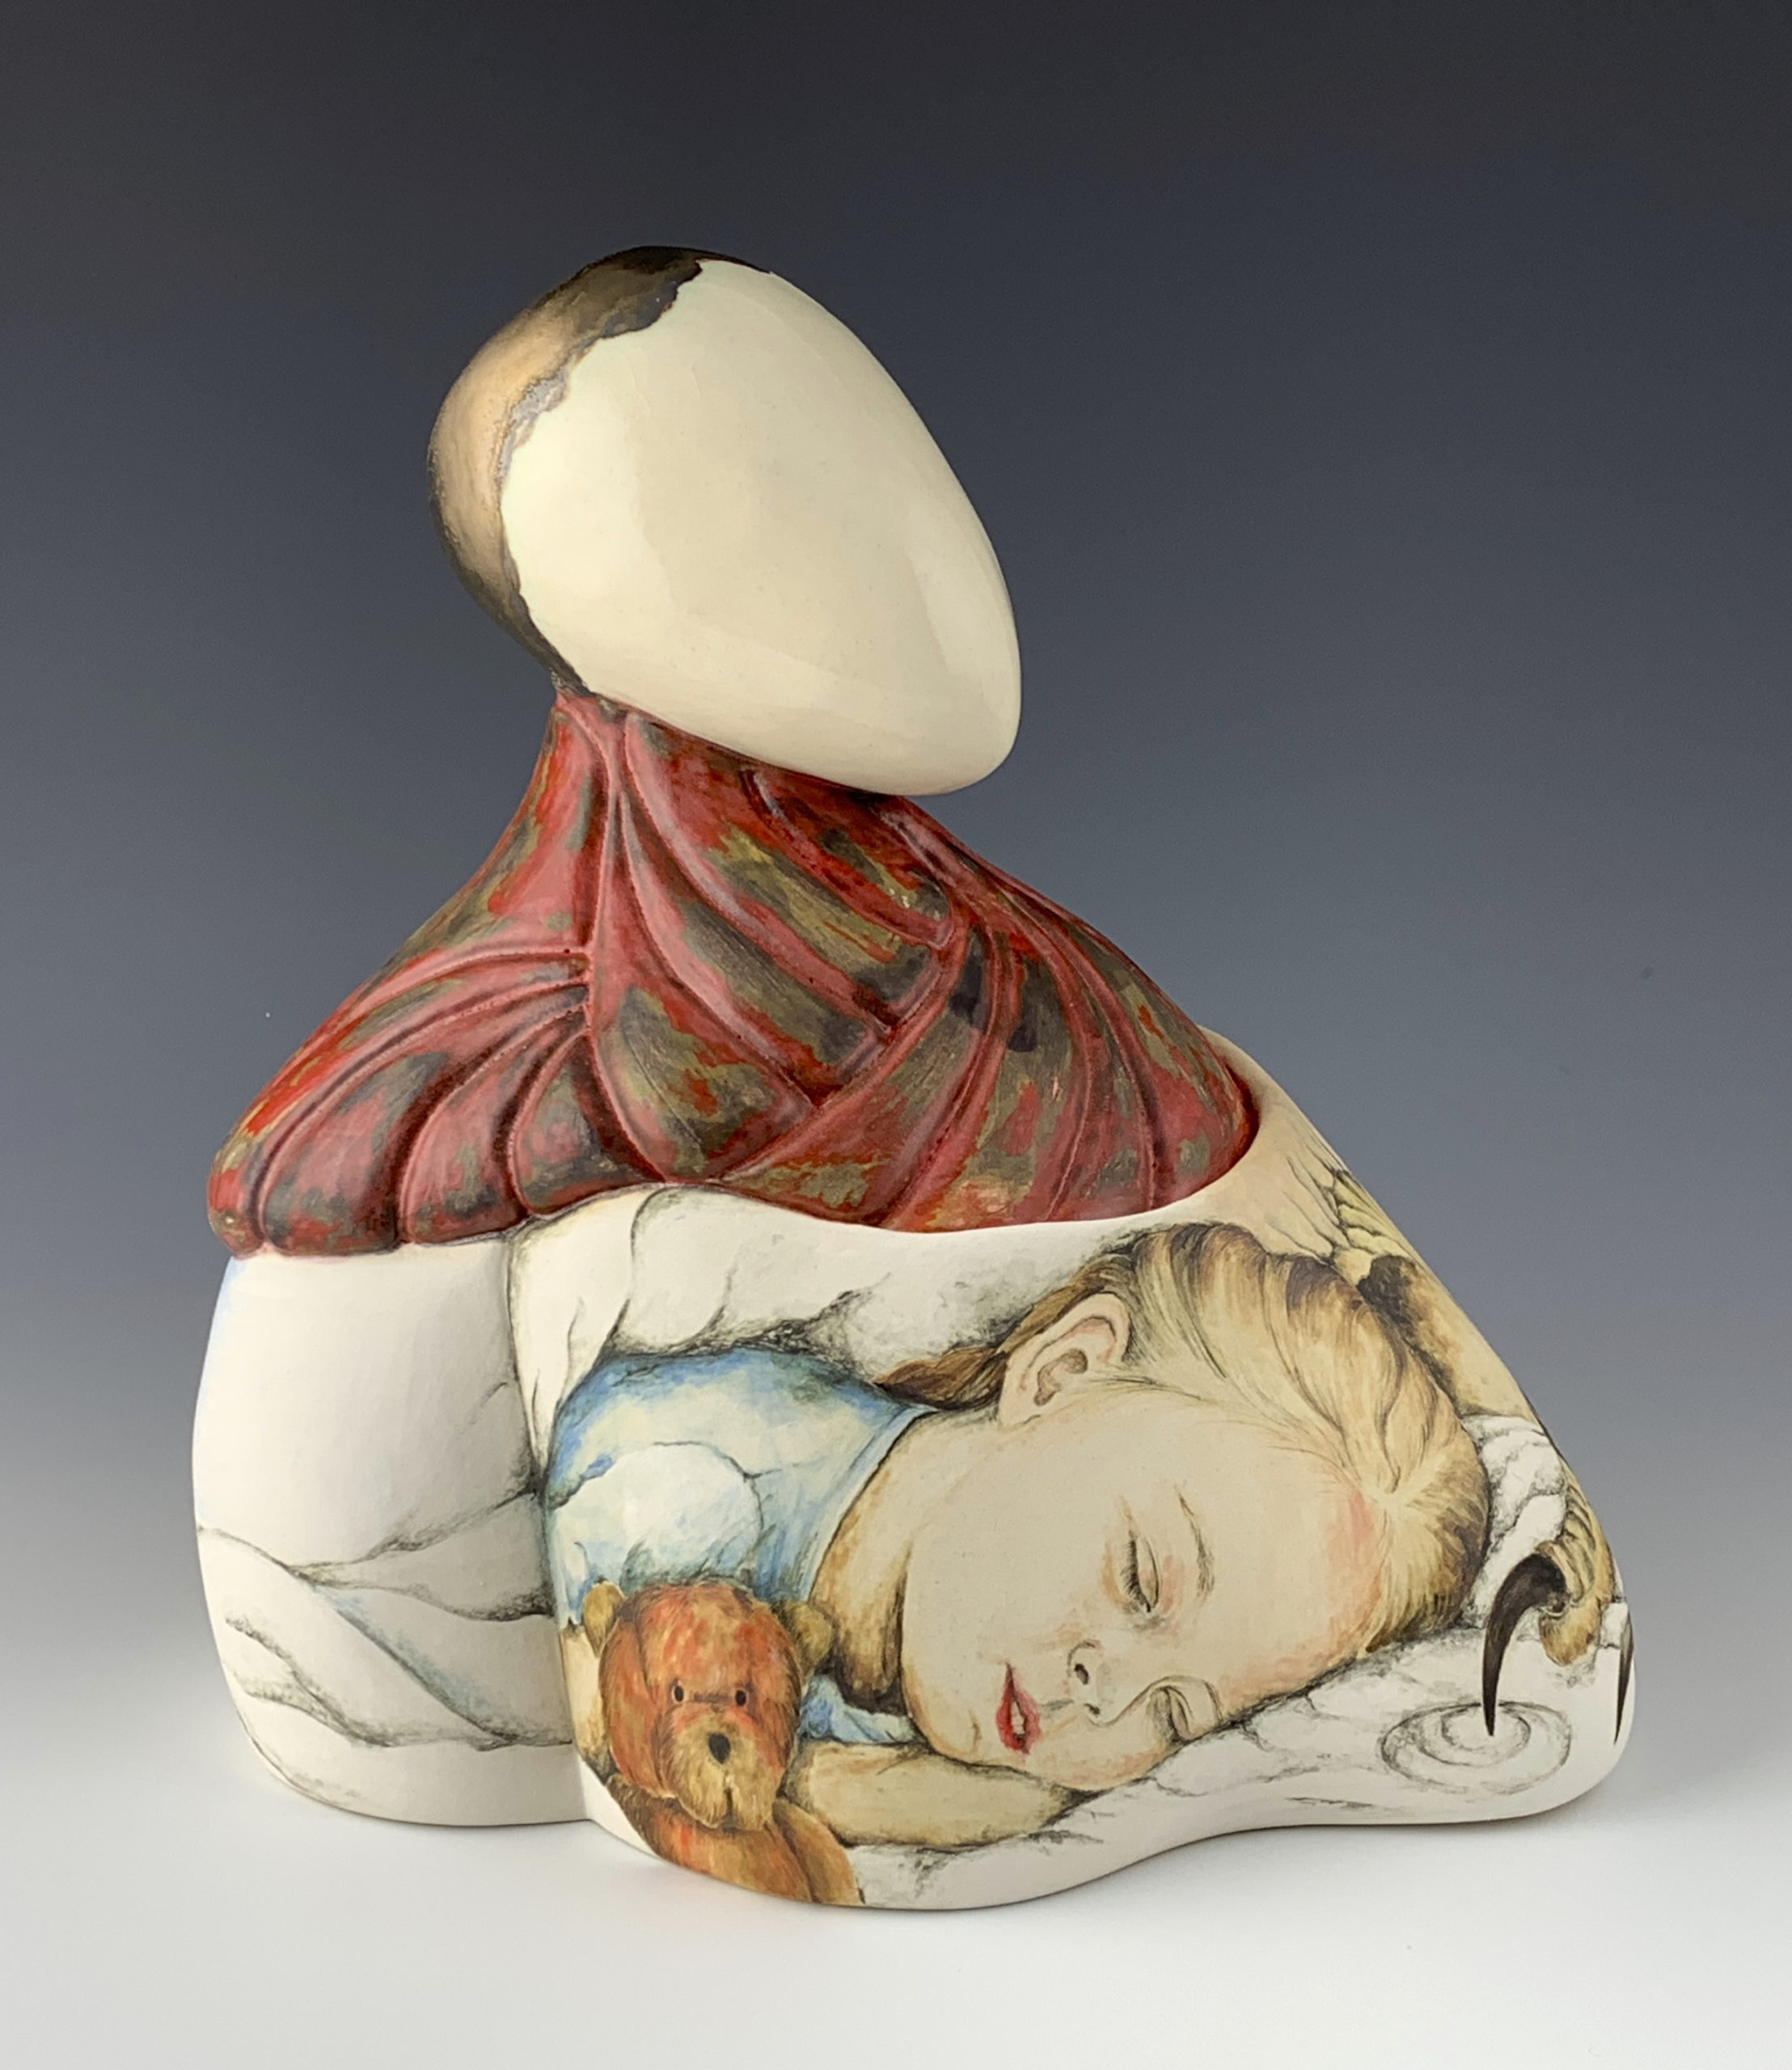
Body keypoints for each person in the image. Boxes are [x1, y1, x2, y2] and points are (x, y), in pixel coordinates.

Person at [547, 1215, 1546, 1850]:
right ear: (1062, 1370)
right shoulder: (690, 1479)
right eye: (1140, 1578)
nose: (1106, 1695)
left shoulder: (937, 1688)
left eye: (1175, 1715)